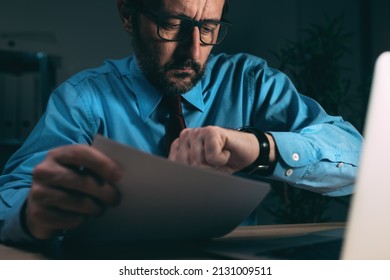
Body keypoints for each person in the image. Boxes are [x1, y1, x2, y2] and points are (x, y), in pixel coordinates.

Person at [0, 0, 363, 244]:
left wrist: (259, 148)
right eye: (172, 25)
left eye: (208, 28)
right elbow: (10, 195)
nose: (193, 51)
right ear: (128, 15)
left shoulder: (251, 83)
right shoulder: (82, 100)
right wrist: (34, 214)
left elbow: (361, 159)